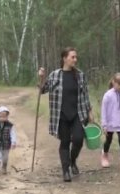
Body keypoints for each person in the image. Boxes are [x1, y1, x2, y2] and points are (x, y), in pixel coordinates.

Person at [38, 47, 93, 182]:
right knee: (65, 142)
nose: (75, 59)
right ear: (64, 58)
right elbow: (43, 90)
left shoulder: (80, 75)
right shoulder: (55, 75)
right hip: (61, 115)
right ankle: (65, 170)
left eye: (75, 57)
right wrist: (41, 78)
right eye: (72, 57)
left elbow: (85, 95)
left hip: (77, 114)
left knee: (78, 140)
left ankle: (73, 161)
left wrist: (90, 111)